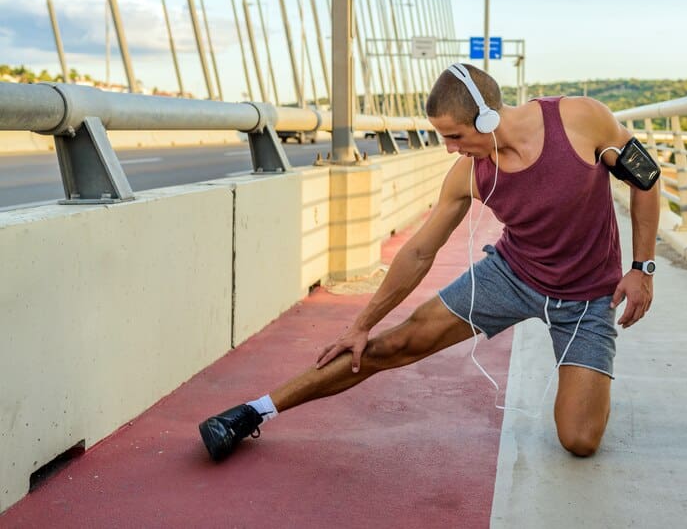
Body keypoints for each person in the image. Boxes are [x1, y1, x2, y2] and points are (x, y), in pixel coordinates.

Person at [198, 63, 660, 461]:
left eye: (454, 136)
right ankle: (253, 411)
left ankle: (585, 381)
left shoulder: (581, 120)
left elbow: (647, 179)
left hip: (585, 297)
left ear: (487, 117)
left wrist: (642, 268)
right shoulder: (469, 176)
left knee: (579, 441)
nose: (448, 148)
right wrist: (361, 323)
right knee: (390, 346)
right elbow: (420, 251)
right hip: (511, 276)